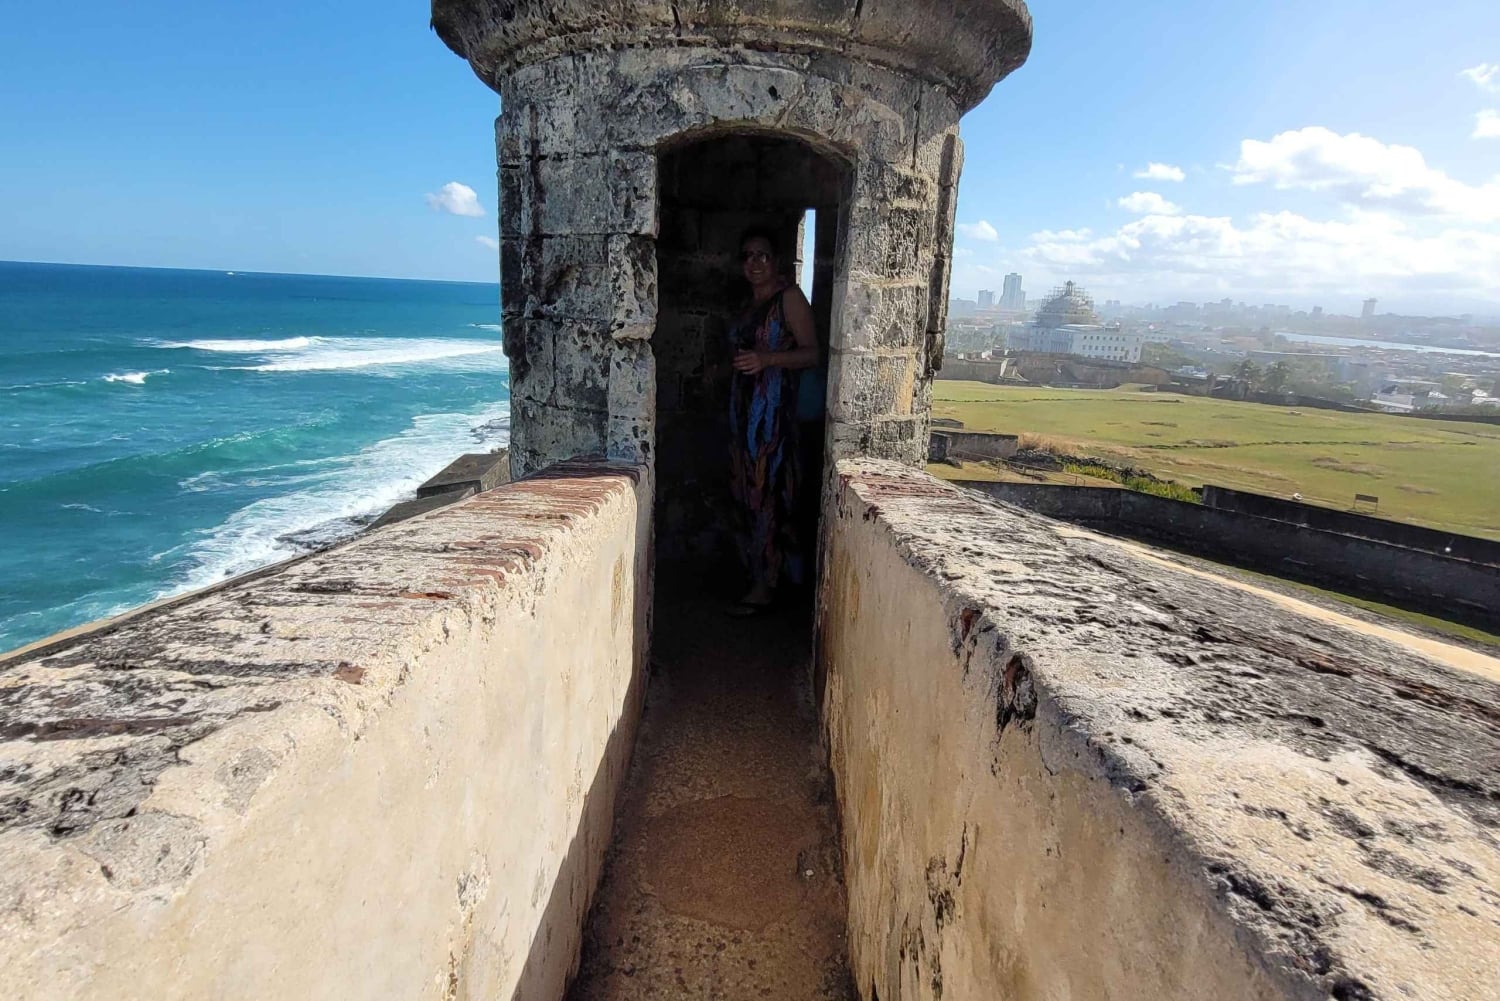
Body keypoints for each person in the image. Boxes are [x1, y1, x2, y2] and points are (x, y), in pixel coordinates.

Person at [726, 226, 819, 615]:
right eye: (748, 255)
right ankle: (758, 576)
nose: (755, 262)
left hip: (775, 416)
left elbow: (814, 354)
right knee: (745, 492)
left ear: (776, 260)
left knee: (770, 493)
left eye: (762, 254)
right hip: (743, 415)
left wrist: (768, 360)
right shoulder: (747, 306)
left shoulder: (790, 298)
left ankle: (769, 585)